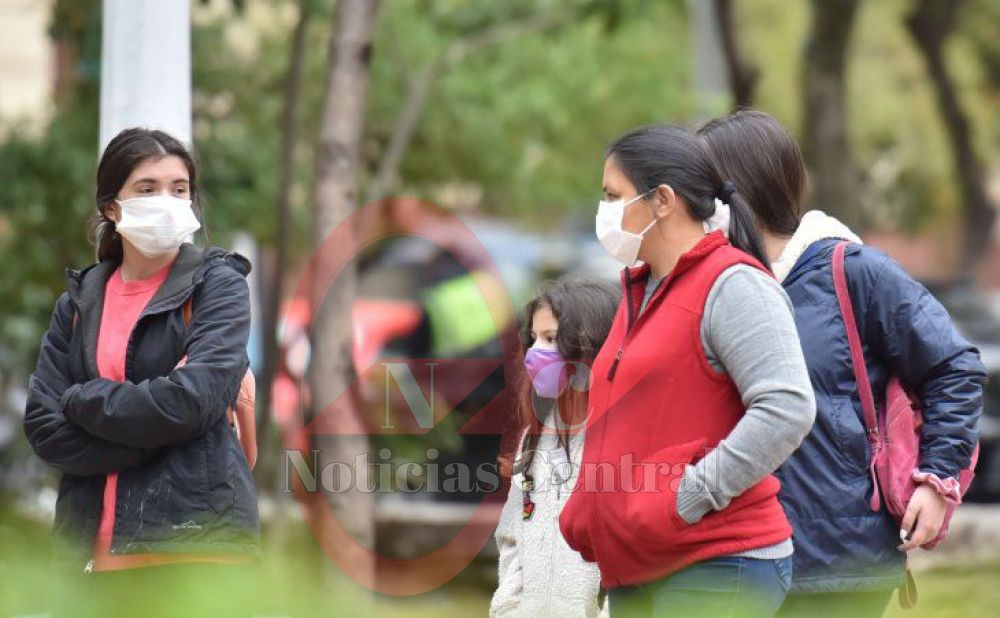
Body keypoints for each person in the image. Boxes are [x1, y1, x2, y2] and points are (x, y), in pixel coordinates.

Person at [699, 109, 986, 618]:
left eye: (701, 188)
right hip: (731, 558)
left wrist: (935, 481)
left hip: (836, 563)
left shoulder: (855, 272)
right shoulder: (714, 284)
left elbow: (954, 369)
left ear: (738, 190)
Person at [559, 123, 816, 618]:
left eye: (613, 196)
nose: (604, 210)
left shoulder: (734, 285)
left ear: (662, 201)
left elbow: (788, 408)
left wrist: (690, 495)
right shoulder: (639, 291)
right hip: (640, 563)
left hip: (715, 560)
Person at [23, 128, 260, 617]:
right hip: (87, 560)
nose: (167, 201)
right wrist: (162, 434)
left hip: (195, 549)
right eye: (147, 188)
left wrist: (83, 399)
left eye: (179, 188)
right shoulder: (78, 303)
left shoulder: (218, 287)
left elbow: (192, 401)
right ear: (112, 207)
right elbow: (45, 428)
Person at [491, 276, 620, 617]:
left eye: (551, 339)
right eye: (533, 338)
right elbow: (511, 537)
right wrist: (509, 610)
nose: (535, 353)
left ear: (594, 345)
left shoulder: (626, 440)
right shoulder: (533, 439)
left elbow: (636, 557)